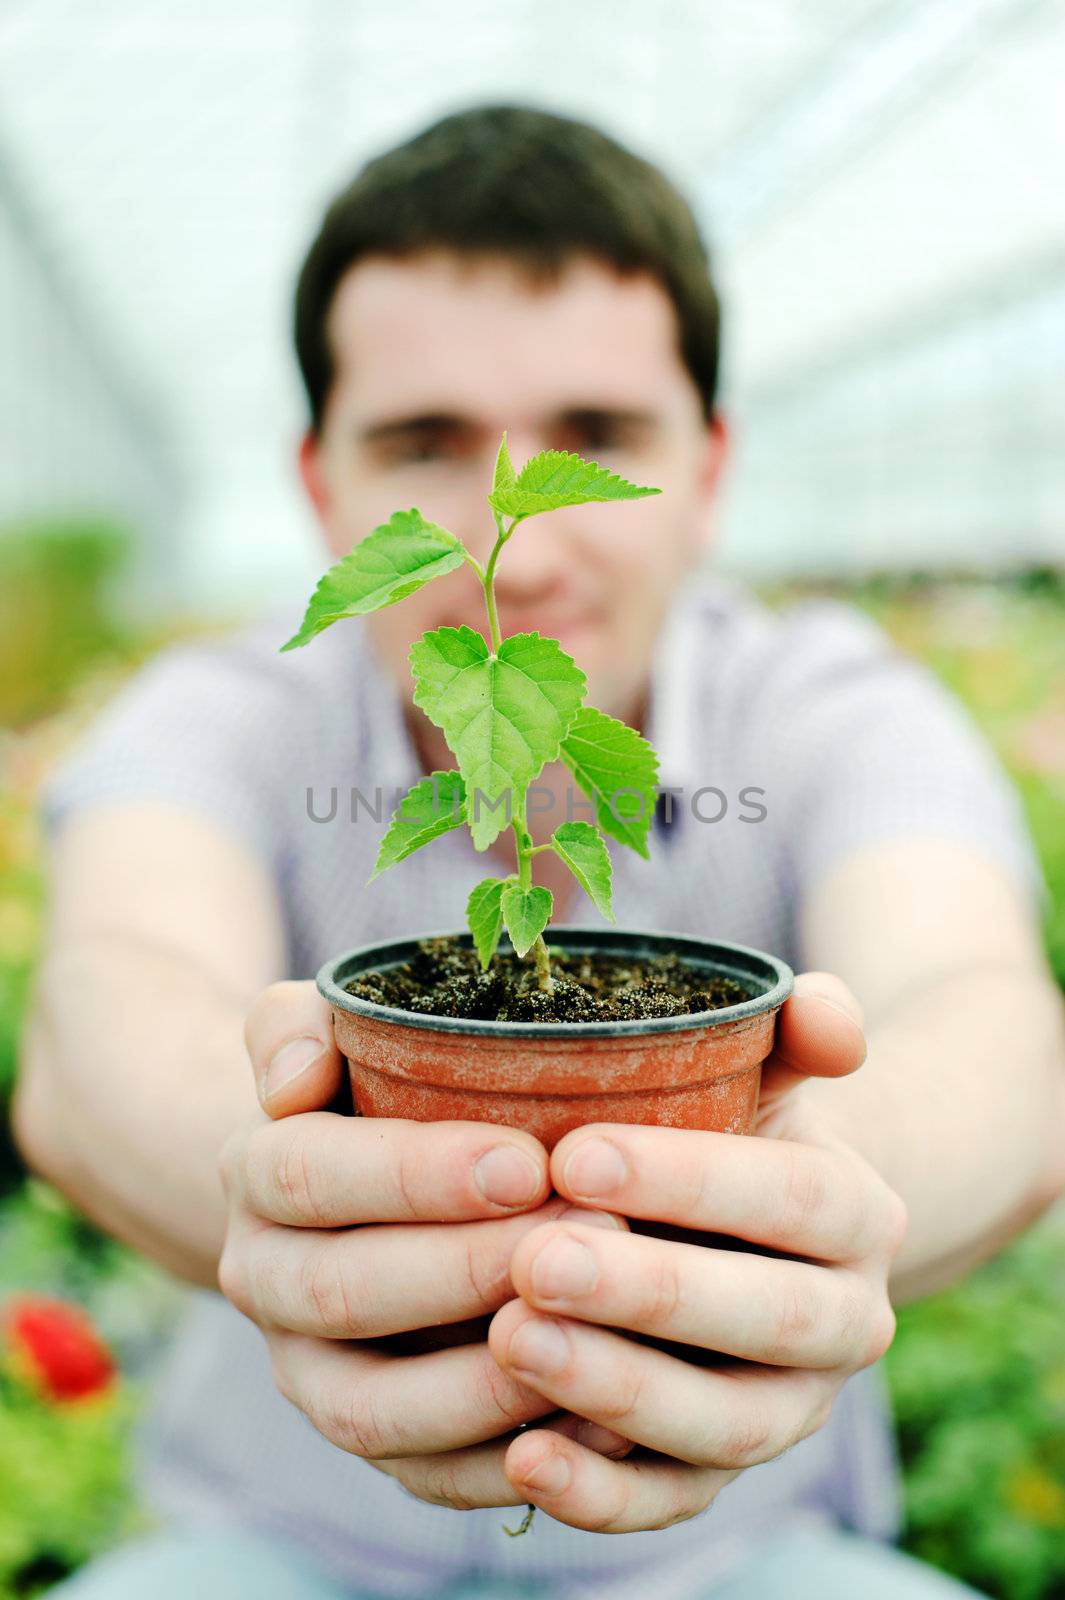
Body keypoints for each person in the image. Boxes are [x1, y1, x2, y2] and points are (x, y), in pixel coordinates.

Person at [14, 104, 1065, 1600]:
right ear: (320, 481)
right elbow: (103, 1014)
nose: (529, 538)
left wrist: (825, 1194)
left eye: (596, 437)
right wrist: (284, 1183)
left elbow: (981, 1017)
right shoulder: (231, 714)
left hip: (737, 1560)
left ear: (705, 467)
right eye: (421, 442)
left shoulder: (824, 709)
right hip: (287, 1546)